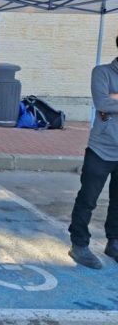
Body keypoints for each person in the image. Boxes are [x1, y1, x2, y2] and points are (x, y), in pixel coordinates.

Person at [67, 35, 118, 269]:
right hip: (101, 149)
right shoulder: (102, 72)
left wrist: (114, 97)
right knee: (88, 199)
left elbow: (110, 102)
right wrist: (109, 101)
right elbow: (103, 104)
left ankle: (114, 242)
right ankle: (79, 245)